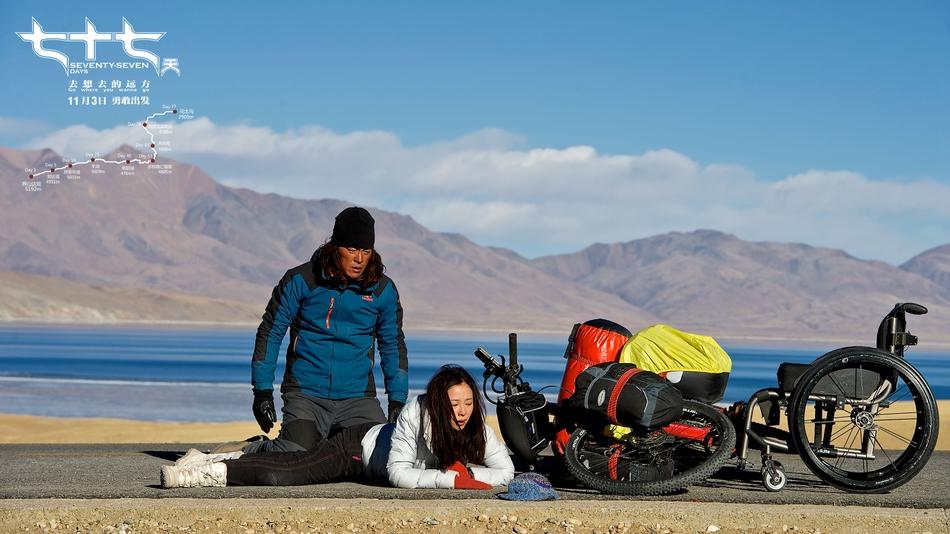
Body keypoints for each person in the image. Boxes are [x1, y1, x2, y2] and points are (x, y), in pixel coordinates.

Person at [161, 366, 515, 489]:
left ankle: (219, 459)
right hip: (356, 449)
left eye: (468, 403)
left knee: (289, 466)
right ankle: (205, 472)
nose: (463, 412)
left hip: (371, 451)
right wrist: (452, 479)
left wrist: (470, 473)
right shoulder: (415, 414)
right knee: (286, 473)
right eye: (455, 404)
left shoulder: (476, 427)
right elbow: (398, 473)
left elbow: (506, 470)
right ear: (439, 404)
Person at [243, 206, 408, 454]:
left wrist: (397, 400)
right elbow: (271, 331)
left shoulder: (382, 290)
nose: (359, 259)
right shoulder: (301, 280)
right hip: (306, 394)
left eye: (366, 250)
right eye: (351, 249)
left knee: (375, 456)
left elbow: (392, 344)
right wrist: (262, 391)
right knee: (295, 452)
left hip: (357, 398)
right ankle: (252, 449)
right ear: (335, 247)